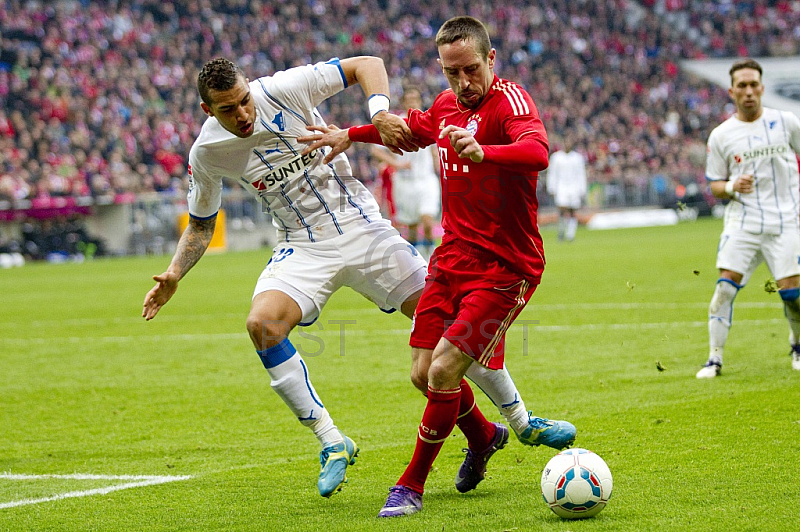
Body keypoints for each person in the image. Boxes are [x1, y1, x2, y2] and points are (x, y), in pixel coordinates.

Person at [142, 55, 551, 501]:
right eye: (228, 109)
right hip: (302, 244)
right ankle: (332, 441)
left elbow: (366, 64)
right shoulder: (206, 152)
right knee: (262, 325)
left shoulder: (283, 89)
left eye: (243, 101)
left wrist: (378, 113)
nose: (242, 114)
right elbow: (201, 223)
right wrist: (176, 273)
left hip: (362, 228)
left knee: (453, 325)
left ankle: (517, 421)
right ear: (208, 111)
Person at [300, 16, 577, 517]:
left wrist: (485, 150)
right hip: (451, 259)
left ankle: (410, 485)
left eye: (471, 69)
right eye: (452, 73)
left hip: (505, 266)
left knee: (447, 367)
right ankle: (485, 435)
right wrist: (351, 134)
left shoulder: (511, 101)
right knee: (423, 374)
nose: (463, 83)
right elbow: (413, 132)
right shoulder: (449, 105)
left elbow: (537, 151)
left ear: (491, 59)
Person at [696, 58, 800, 378]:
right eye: (742, 85)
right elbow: (714, 183)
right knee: (724, 290)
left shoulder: (786, 122)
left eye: (754, 84)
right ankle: (714, 359)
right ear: (731, 91)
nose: (749, 91)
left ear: (763, 88)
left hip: (786, 221)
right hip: (743, 223)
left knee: (792, 295)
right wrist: (730, 185)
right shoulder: (722, 135)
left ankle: (797, 344)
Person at [370, 87, 441, 260]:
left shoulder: (428, 121)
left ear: (420, 101)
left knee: (427, 219)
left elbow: (434, 150)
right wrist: (397, 164)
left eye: (415, 99)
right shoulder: (394, 123)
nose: (412, 102)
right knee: (411, 227)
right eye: (408, 99)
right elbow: (376, 150)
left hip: (426, 179)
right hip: (404, 182)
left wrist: (439, 167)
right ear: (403, 102)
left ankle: (431, 257)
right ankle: (418, 261)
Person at [546, 135, 587, 242]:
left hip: (574, 187)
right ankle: (561, 231)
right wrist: (551, 187)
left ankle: (570, 234)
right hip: (561, 187)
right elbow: (552, 173)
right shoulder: (556, 157)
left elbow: (581, 174)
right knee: (562, 210)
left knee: (573, 211)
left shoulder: (577, 157)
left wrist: (582, 188)